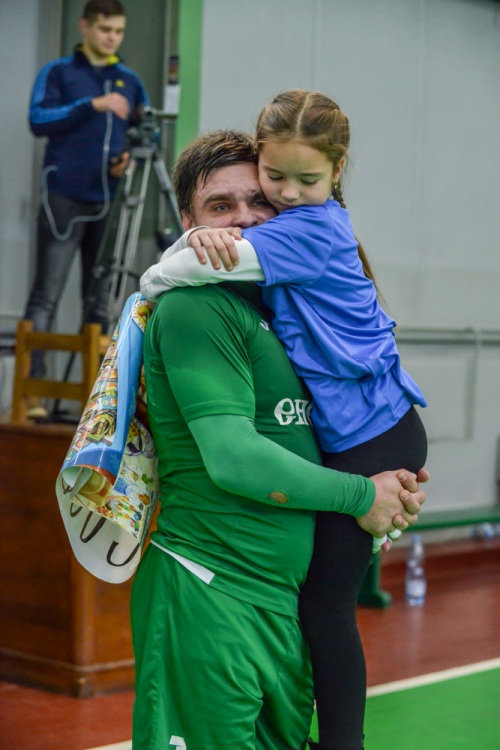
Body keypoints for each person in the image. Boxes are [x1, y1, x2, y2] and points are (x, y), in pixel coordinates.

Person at [140, 91, 428, 750]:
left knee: (328, 615)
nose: (244, 220)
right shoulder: (196, 308)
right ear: (189, 219)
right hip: (218, 595)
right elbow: (235, 457)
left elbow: (313, 434)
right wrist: (364, 495)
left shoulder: (278, 299)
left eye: (258, 201)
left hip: (277, 609)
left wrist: (389, 495)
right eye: (221, 207)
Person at [24, 0, 149, 419]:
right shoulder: (59, 72)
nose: (112, 37)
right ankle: (32, 395)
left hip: (108, 200)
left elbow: (142, 132)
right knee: (46, 297)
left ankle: (95, 402)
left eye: (118, 30)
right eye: (105, 29)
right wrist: (92, 105)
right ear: (85, 27)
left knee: (99, 302)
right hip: (63, 197)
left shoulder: (130, 80)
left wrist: (126, 158)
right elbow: (38, 119)